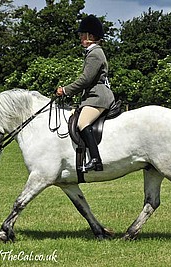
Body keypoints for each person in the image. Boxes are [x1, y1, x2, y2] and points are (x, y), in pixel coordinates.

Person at [56, 15, 114, 172]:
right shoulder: (92, 52)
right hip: (92, 96)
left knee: (82, 123)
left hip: (98, 97)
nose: (81, 37)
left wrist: (66, 90)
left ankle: (96, 159)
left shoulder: (95, 53)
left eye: (83, 34)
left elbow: (86, 79)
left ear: (92, 36)